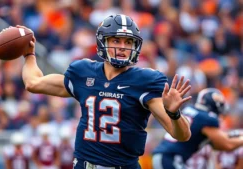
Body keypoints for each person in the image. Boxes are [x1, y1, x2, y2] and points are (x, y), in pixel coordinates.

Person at [19, 14, 192, 169]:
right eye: (116, 40)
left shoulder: (144, 81)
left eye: (128, 42)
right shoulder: (82, 72)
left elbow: (182, 135)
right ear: (103, 42)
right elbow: (33, 83)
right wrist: (29, 56)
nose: (123, 47)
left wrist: (174, 113)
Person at [152, 88, 243, 169]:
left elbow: (217, 144)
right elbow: (226, 144)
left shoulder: (191, 110)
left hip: (165, 155)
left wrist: (238, 135)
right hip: (171, 157)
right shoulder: (207, 119)